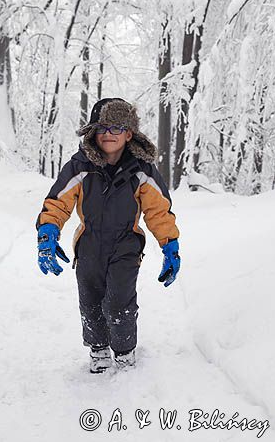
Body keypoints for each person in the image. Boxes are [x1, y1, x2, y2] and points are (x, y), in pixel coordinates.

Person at [36, 98, 180, 373]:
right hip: (89, 243)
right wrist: (48, 232)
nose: (109, 135)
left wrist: (169, 245)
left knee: (118, 301)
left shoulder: (142, 171)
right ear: (93, 132)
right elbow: (58, 203)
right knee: (90, 299)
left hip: (126, 243)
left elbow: (159, 211)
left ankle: (124, 350)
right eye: (102, 128)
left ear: (129, 133)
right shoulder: (80, 167)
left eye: (116, 128)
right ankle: (98, 348)